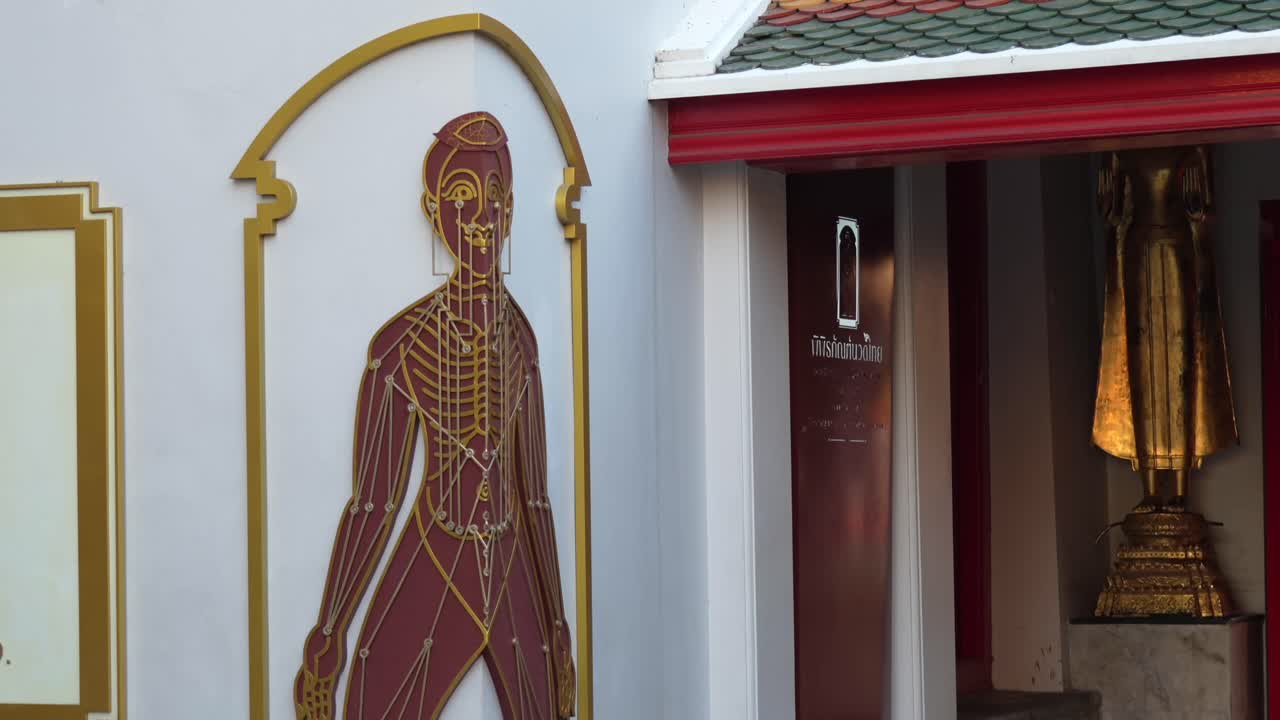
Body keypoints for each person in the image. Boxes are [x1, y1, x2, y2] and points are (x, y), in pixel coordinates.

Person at [294, 112, 574, 720]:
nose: (482, 219)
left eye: (496, 198)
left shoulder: (522, 340)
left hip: (511, 567)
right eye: (461, 199)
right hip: (434, 550)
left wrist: (557, 629)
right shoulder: (398, 346)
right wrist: (329, 637)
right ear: (432, 208)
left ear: (514, 206)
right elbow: (372, 502)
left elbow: (536, 498)